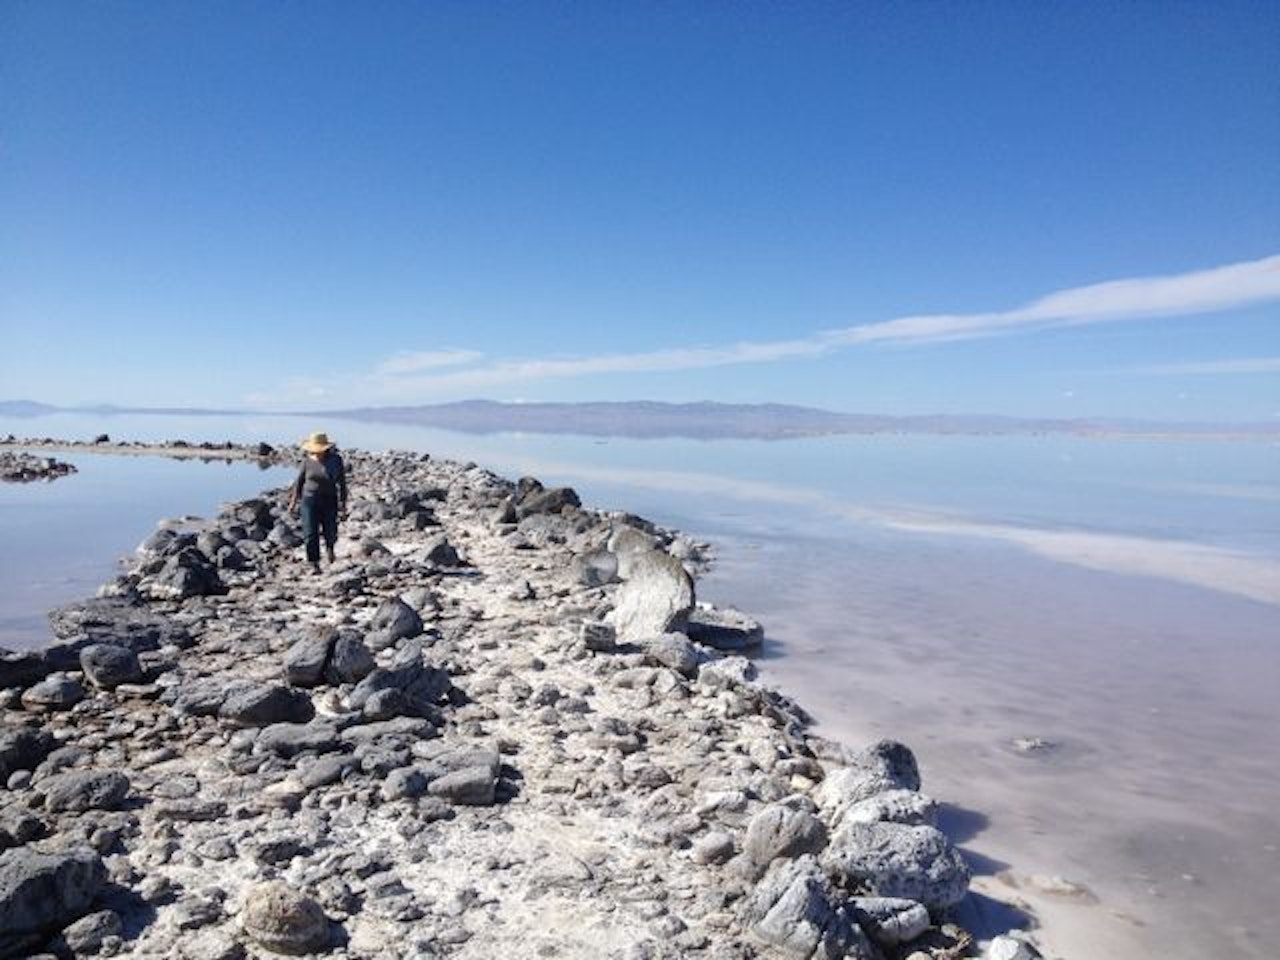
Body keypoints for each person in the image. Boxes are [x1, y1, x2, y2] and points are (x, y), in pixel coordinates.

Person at [286, 431, 348, 573]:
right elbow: (299, 483)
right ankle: (314, 563)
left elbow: (342, 483)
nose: (317, 452)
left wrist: (343, 504)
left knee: (330, 529)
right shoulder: (307, 462)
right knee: (310, 533)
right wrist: (293, 503)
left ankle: (330, 548)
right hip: (309, 500)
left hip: (329, 499)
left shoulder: (335, 460)